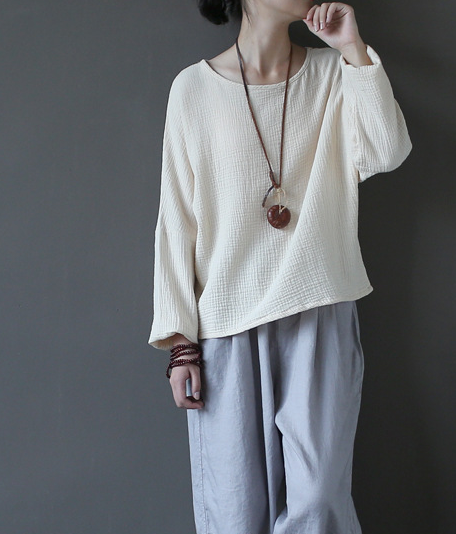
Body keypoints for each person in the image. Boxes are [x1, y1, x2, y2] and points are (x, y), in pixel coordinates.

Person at [148, 1, 412, 532]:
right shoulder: (193, 89)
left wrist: (352, 48)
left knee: (319, 503)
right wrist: (180, 342)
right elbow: (176, 220)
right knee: (235, 512)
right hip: (226, 329)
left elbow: (387, 151)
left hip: (319, 313)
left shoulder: (334, 73)